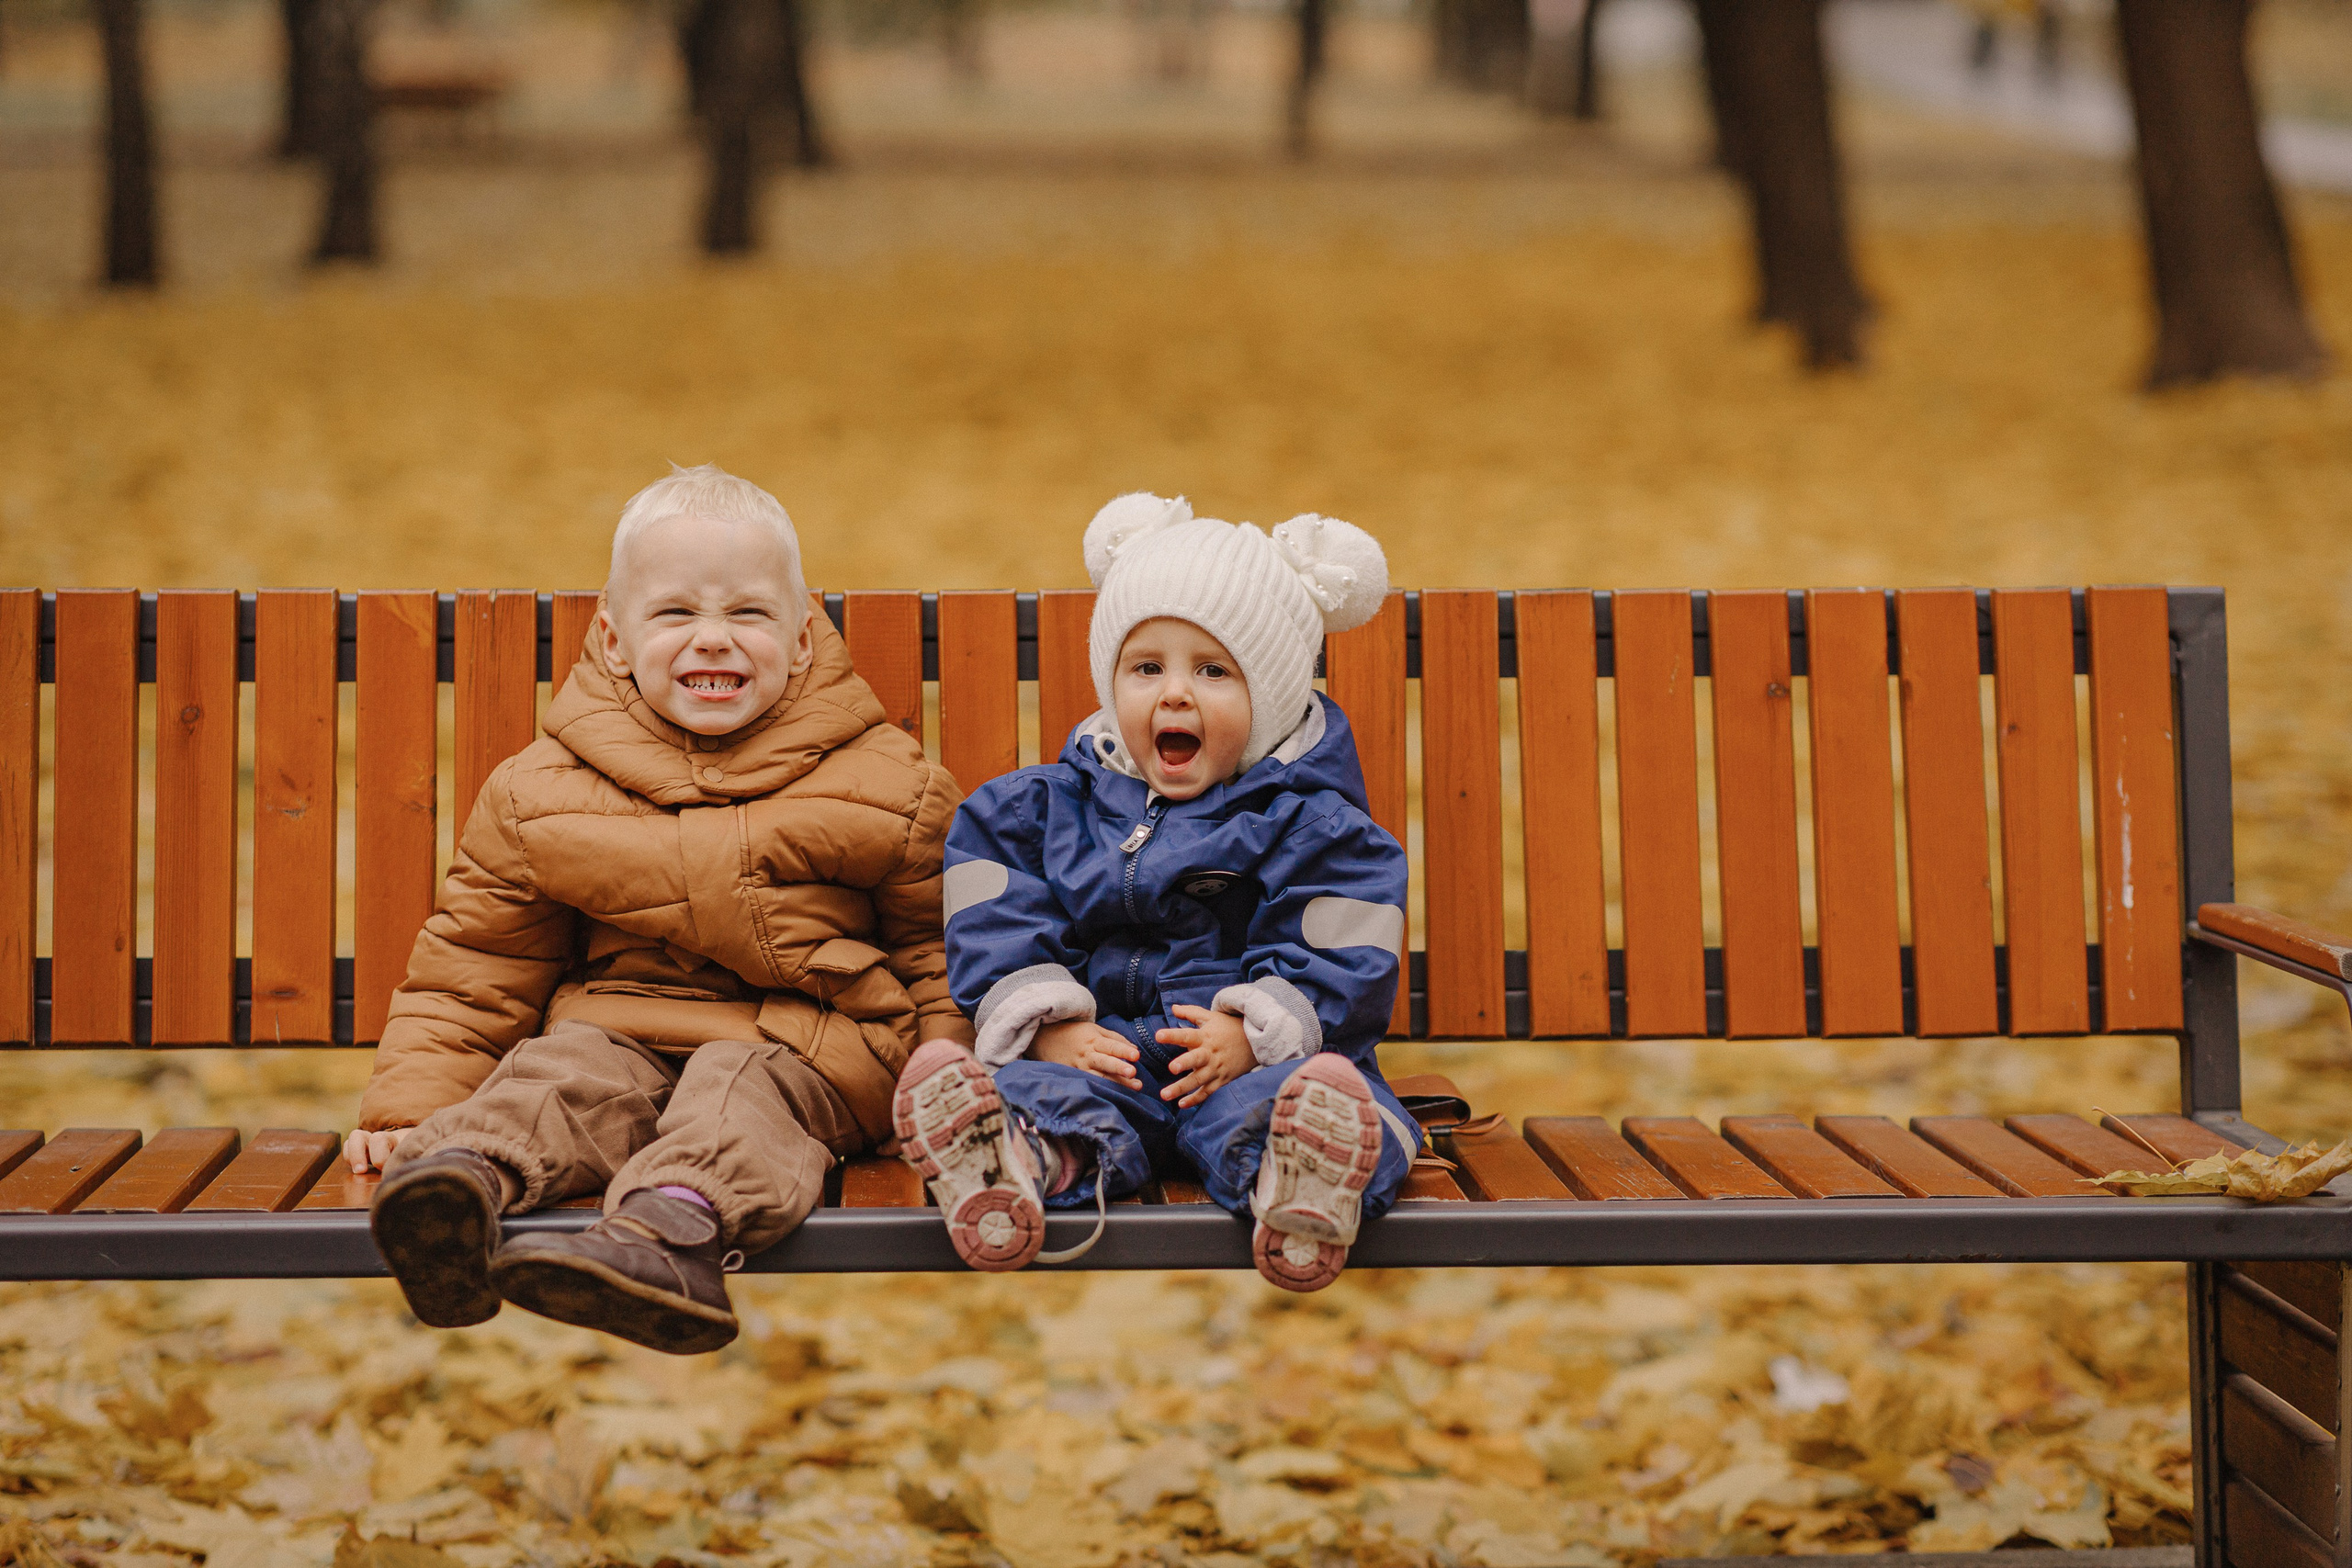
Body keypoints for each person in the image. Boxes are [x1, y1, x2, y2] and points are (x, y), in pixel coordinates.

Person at [343, 464, 967, 1354]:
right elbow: (477, 968)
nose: (713, 638)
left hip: (807, 1046)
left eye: (747, 613)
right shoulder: (539, 791)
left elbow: (937, 951)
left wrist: (943, 1077)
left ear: (800, 641)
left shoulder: (890, 783)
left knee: (736, 1095)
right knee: (559, 1079)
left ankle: (668, 1233)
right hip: (617, 1028)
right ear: (614, 639)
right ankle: (455, 1190)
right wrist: (409, 1108)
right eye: (675, 612)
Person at [894, 492, 1417, 1292]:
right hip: (1107, 1057)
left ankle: (1304, 1180)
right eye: (1147, 668)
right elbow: (998, 911)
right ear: (1112, 685)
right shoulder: (1045, 809)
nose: (1174, 693)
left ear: (1272, 696)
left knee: (1319, 1103)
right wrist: (1045, 1021)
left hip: (1249, 1063)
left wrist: (1257, 1028)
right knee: (1042, 1095)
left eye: (1213, 671)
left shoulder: (1313, 823)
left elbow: (1341, 942)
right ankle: (1010, 1161)